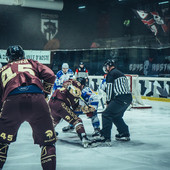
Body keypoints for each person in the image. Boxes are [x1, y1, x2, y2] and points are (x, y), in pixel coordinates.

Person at [0, 45, 57, 170]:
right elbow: (51, 75)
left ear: (8, 58)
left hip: (12, 101)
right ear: (23, 55)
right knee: (48, 143)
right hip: (37, 99)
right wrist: (45, 94)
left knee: (2, 142)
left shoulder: (3, 69)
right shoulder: (32, 62)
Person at [94, 59, 132, 146]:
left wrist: (108, 101)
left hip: (120, 98)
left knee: (106, 114)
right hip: (128, 98)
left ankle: (105, 136)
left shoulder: (111, 74)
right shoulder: (120, 73)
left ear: (108, 66)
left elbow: (110, 88)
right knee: (116, 116)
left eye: (106, 66)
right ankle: (124, 133)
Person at [48, 79, 95, 148]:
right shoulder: (75, 83)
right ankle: (84, 138)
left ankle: (47, 134)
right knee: (77, 120)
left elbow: (75, 108)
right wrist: (70, 87)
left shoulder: (78, 96)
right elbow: (65, 83)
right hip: (60, 102)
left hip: (53, 103)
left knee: (55, 120)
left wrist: (86, 109)